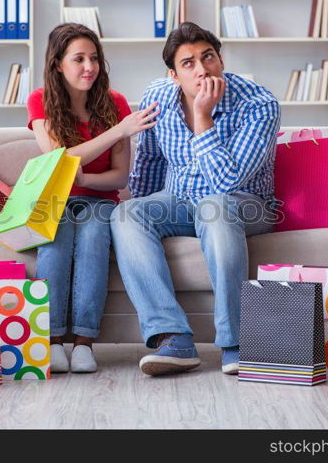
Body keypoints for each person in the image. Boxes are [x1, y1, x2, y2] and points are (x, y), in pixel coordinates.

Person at [110, 22, 281, 376]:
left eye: (209, 57)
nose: (202, 69)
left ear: (221, 60)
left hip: (245, 203)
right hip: (179, 199)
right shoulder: (158, 97)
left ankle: (236, 342)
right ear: (173, 74)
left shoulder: (259, 105)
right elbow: (151, 162)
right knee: (127, 214)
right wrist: (146, 218)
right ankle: (173, 338)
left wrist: (203, 116)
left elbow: (226, 182)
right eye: (188, 63)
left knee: (213, 206)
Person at [27, 23, 160, 373]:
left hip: (100, 201)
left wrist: (83, 177)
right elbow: (59, 159)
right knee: (55, 240)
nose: (89, 67)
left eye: (94, 58)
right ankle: (52, 340)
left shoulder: (114, 103)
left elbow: (119, 176)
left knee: (94, 238)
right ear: (58, 63)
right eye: (79, 59)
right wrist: (119, 130)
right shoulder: (40, 100)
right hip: (56, 199)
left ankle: (84, 342)